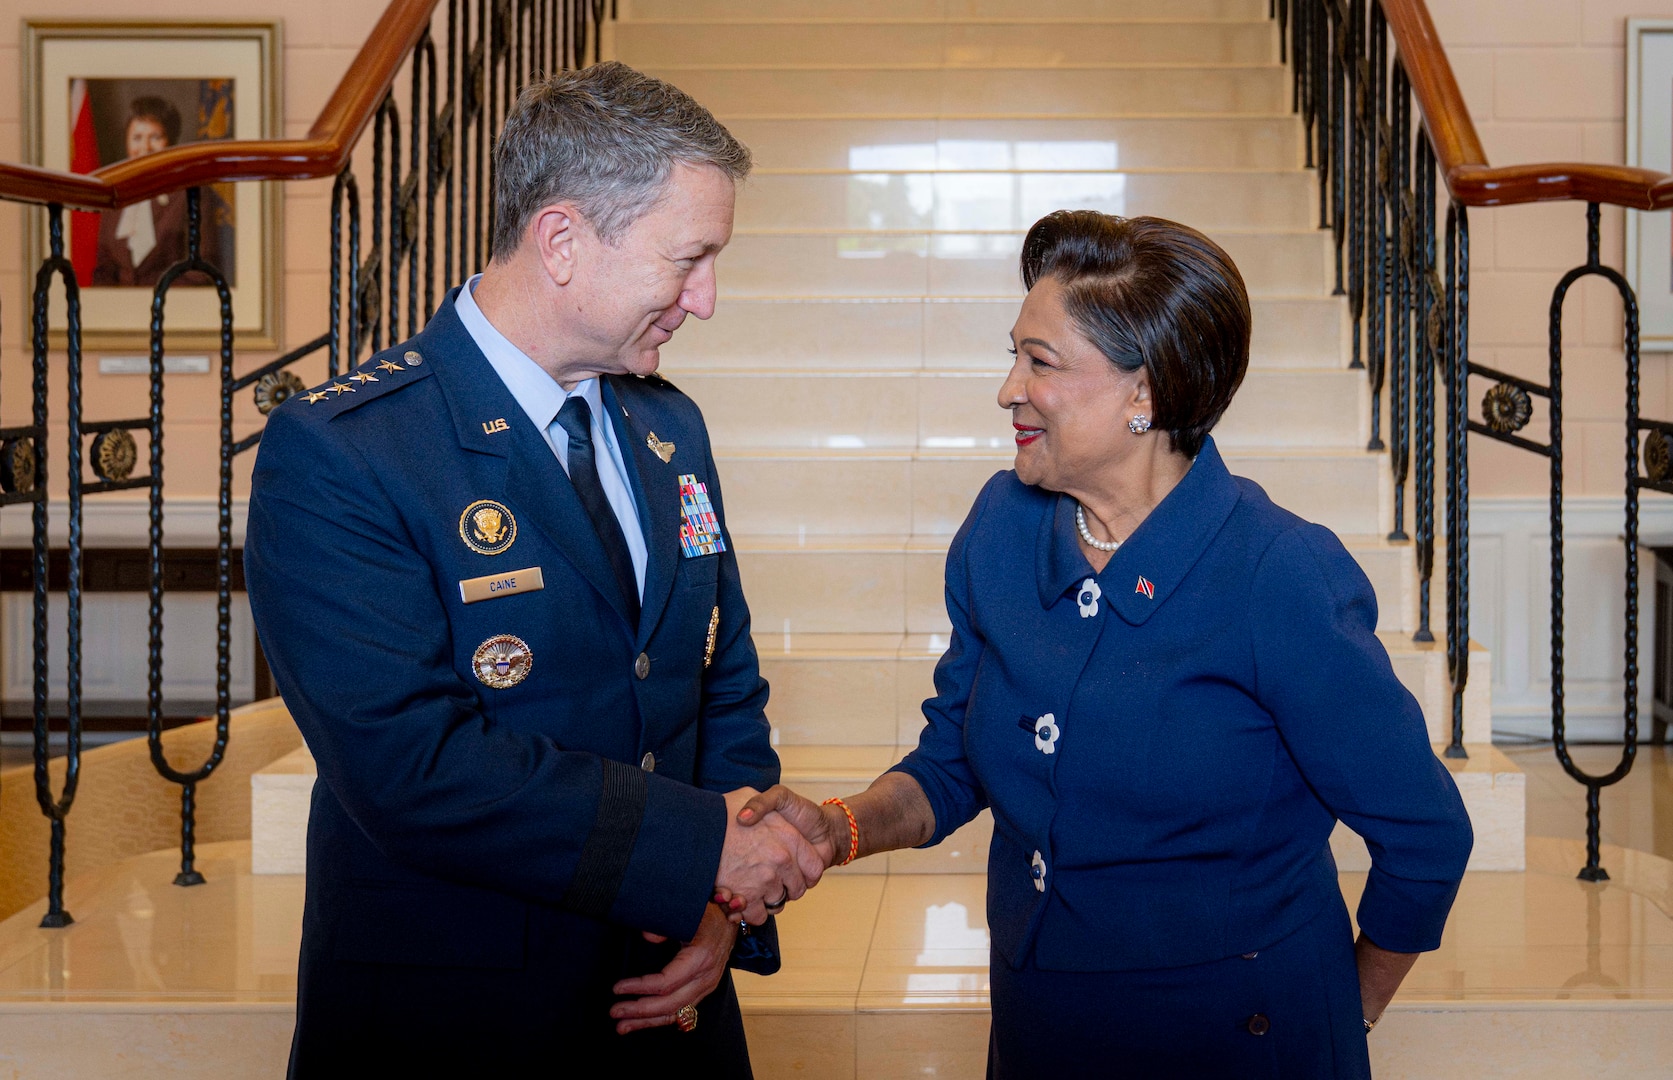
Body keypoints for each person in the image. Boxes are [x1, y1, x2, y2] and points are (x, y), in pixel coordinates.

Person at [729, 211, 1475, 1078]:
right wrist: (835, 827)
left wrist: (1346, 1012)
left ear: (1145, 393)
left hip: (1235, 1034)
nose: (1008, 388)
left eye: (1040, 362)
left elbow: (1425, 835)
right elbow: (956, 761)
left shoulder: (1277, 571)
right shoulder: (1001, 527)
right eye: (1013, 354)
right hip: (1042, 1017)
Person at [244, 62, 822, 1076]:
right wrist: (697, 852)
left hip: (670, 1002)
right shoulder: (345, 451)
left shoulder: (664, 424)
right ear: (560, 241)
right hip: (459, 1015)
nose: (707, 299)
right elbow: (407, 767)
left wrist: (728, 903)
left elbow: (718, 676)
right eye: (687, 260)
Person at [93, 95, 225, 287]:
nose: (145, 148)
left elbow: (201, 270)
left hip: (173, 309)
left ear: (171, 141)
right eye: (137, 138)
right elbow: (103, 271)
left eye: (155, 137)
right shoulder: (115, 192)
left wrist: (157, 305)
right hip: (119, 312)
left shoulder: (192, 193)